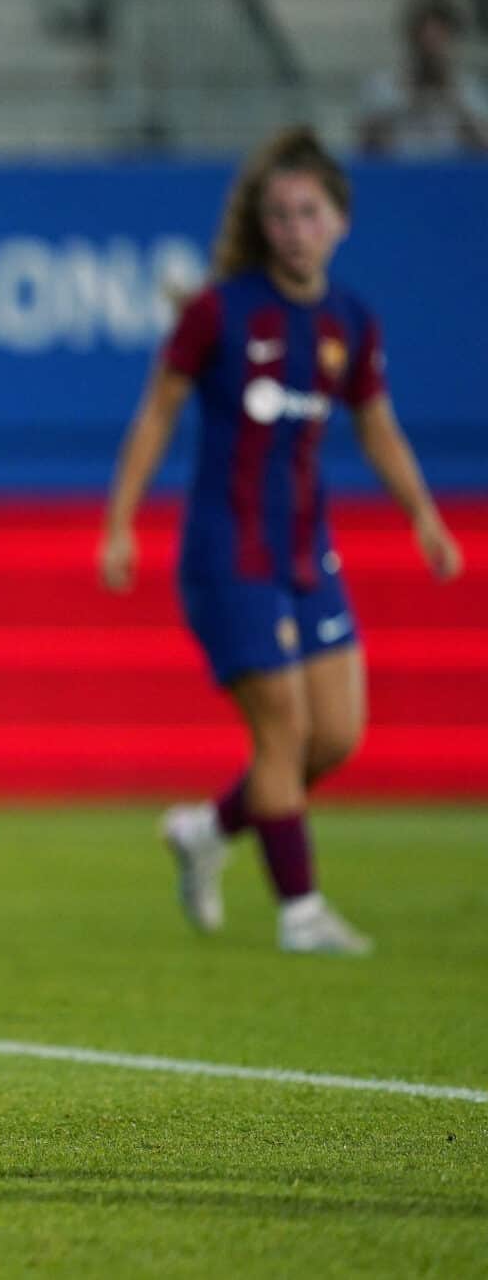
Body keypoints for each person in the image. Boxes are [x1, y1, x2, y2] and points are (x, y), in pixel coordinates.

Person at [100, 127, 464, 955]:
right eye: (279, 215)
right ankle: (301, 912)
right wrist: (121, 523)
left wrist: (424, 517)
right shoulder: (220, 312)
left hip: (308, 552)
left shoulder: (349, 322)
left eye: (308, 213)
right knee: (283, 734)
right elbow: (156, 412)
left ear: (340, 220)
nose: (293, 228)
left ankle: (206, 831)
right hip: (229, 553)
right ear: (263, 228)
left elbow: (378, 428)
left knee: (336, 737)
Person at [356, 0, 488, 157]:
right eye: (424, 43)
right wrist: (407, 99)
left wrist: (452, 98)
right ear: (412, 41)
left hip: (455, 178)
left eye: (438, 41)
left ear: (451, 41)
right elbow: (364, 147)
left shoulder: (470, 91)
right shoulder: (382, 88)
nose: (431, 51)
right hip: (399, 176)